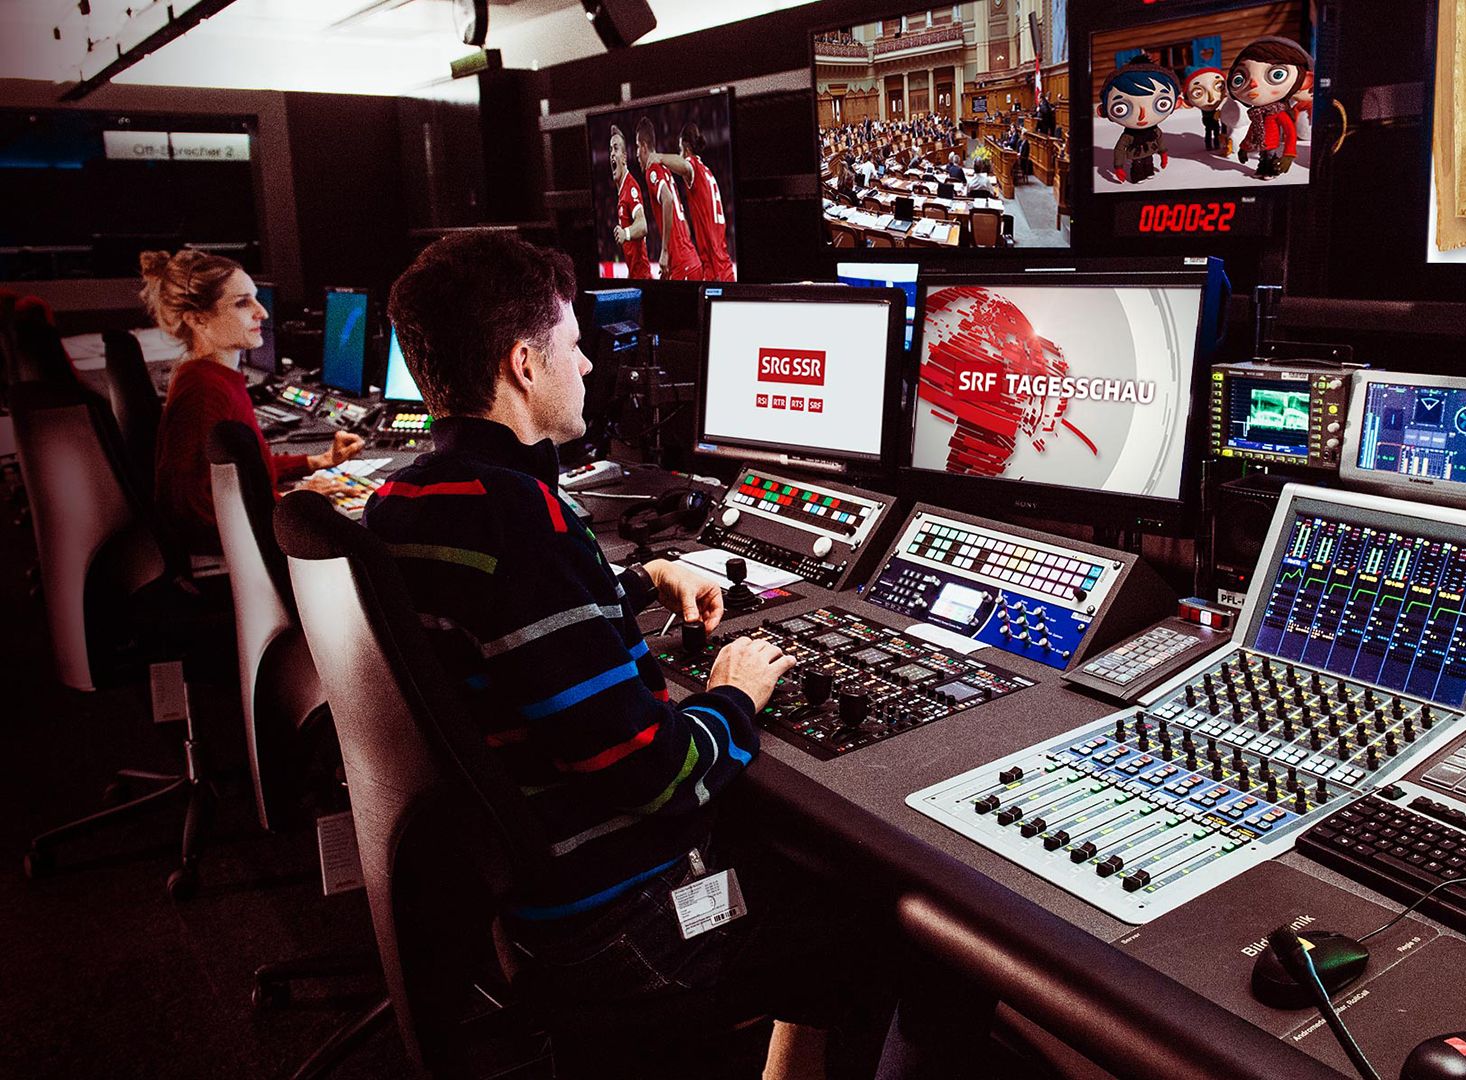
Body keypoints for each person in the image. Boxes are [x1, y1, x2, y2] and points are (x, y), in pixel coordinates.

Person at [369, 232, 981, 1079]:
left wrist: (631, 583)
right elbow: (658, 774)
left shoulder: (409, 498)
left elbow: (507, 637)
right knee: (910, 923)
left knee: (799, 852)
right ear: (523, 365)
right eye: (574, 345)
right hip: (631, 927)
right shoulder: (521, 521)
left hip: (533, 902)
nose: (587, 365)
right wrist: (734, 694)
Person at [142, 249, 360, 553]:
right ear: (197, 319)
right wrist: (288, 502)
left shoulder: (215, 375)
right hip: (239, 554)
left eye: (255, 299)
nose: (262, 313)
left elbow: (239, 470)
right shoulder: (203, 390)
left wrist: (315, 462)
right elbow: (187, 503)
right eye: (242, 302)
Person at [1229, 36, 1312, 178]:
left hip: (1272, 143)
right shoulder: (1256, 114)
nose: (1253, 84)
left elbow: (1290, 133)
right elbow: (1252, 131)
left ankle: (1270, 170)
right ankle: (1264, 169)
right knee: (1264, 157)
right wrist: (1244, 148)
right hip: (1262, 145)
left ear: (1305, 80)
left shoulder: (1278, 112)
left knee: (1269, 157)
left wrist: (1289, 154)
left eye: (1277, 74)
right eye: (1239, 79)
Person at [633, 116, 704, 280]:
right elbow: (684, 224)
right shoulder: (665, 169)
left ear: (644, 146)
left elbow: (668, 199)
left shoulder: (652, 169)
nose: (636, 153)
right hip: (690, 261)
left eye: (637, 146)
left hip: (683, 265)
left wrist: (665, 251)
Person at [674, 121, 736, 282]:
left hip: (714, 270)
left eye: (680, 150)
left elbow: (684, 165)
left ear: (686, 149)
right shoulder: (707, 172)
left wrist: (658, 157)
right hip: (724, 265)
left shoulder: (693, 166)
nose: (679, 154)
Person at [1101, 57, 1178, 184]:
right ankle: (1138, 176)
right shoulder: (1129, 136)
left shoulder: (1154, 130)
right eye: (1120, 108)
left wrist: (1163, 152)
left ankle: (1149, 172)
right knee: (1137, 164)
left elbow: (1160, 140)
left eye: (1162, 103)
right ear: (1102, 111)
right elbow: (1119, 149)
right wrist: (1118, 166)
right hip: (1136, 154)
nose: (1142, 116)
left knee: (1148, 161)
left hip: (1150, 151)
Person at [608, 125, 652, 279]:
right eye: (610, 150)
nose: (612, 154)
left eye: (616, 148)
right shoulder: (622, 192)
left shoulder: (631, 186)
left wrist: (625, 233)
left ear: (624, 158)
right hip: (635, 275)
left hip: (642, 278)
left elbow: (643, 225)